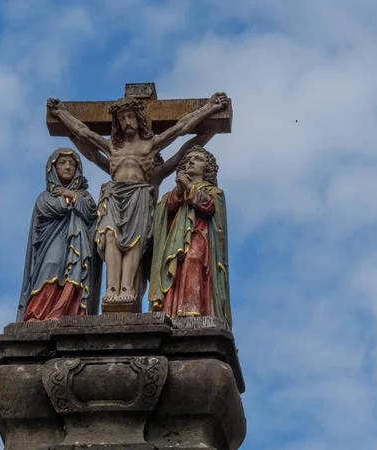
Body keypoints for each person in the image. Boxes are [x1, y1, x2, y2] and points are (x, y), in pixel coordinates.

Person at [47, 93, 228, 308]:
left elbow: (181, 128)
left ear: (139, 118)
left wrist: (209, 109)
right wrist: (62, 114)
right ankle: (112, 288)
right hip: (114, 194)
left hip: (139, 195)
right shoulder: (113, 148)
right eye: (122, 119)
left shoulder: (149, 146)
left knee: (136, 243)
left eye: (131, 117)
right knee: (110, 239)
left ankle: (127, 289)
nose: (126, 122)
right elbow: (84, 135)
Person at [148, 145, 232, 327]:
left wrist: (190, 189)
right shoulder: (174, 193)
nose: (191, 161)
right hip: (174, 241)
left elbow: (209, 207)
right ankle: (170, 311)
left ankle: (192, 310)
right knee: (175, 268)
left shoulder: (215, 192)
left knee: (193, 259)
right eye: (188, 160)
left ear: (207, 168)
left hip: (200, 235)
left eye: (198, 159)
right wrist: (179, 192)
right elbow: (166, 211)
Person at [17, 148, 101, 321]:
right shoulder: (45, 197)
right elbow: (51, 208)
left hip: (78, 242)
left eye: (72, 164)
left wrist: (72, 195)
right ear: (53, 168)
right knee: (51, 264)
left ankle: (67, 312)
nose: (68, 167)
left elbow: (92, 212)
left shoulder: (84, 196)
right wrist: (71, 201)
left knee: (75, 273)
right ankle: (38, 313)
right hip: (52, 240)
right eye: (62, 163)